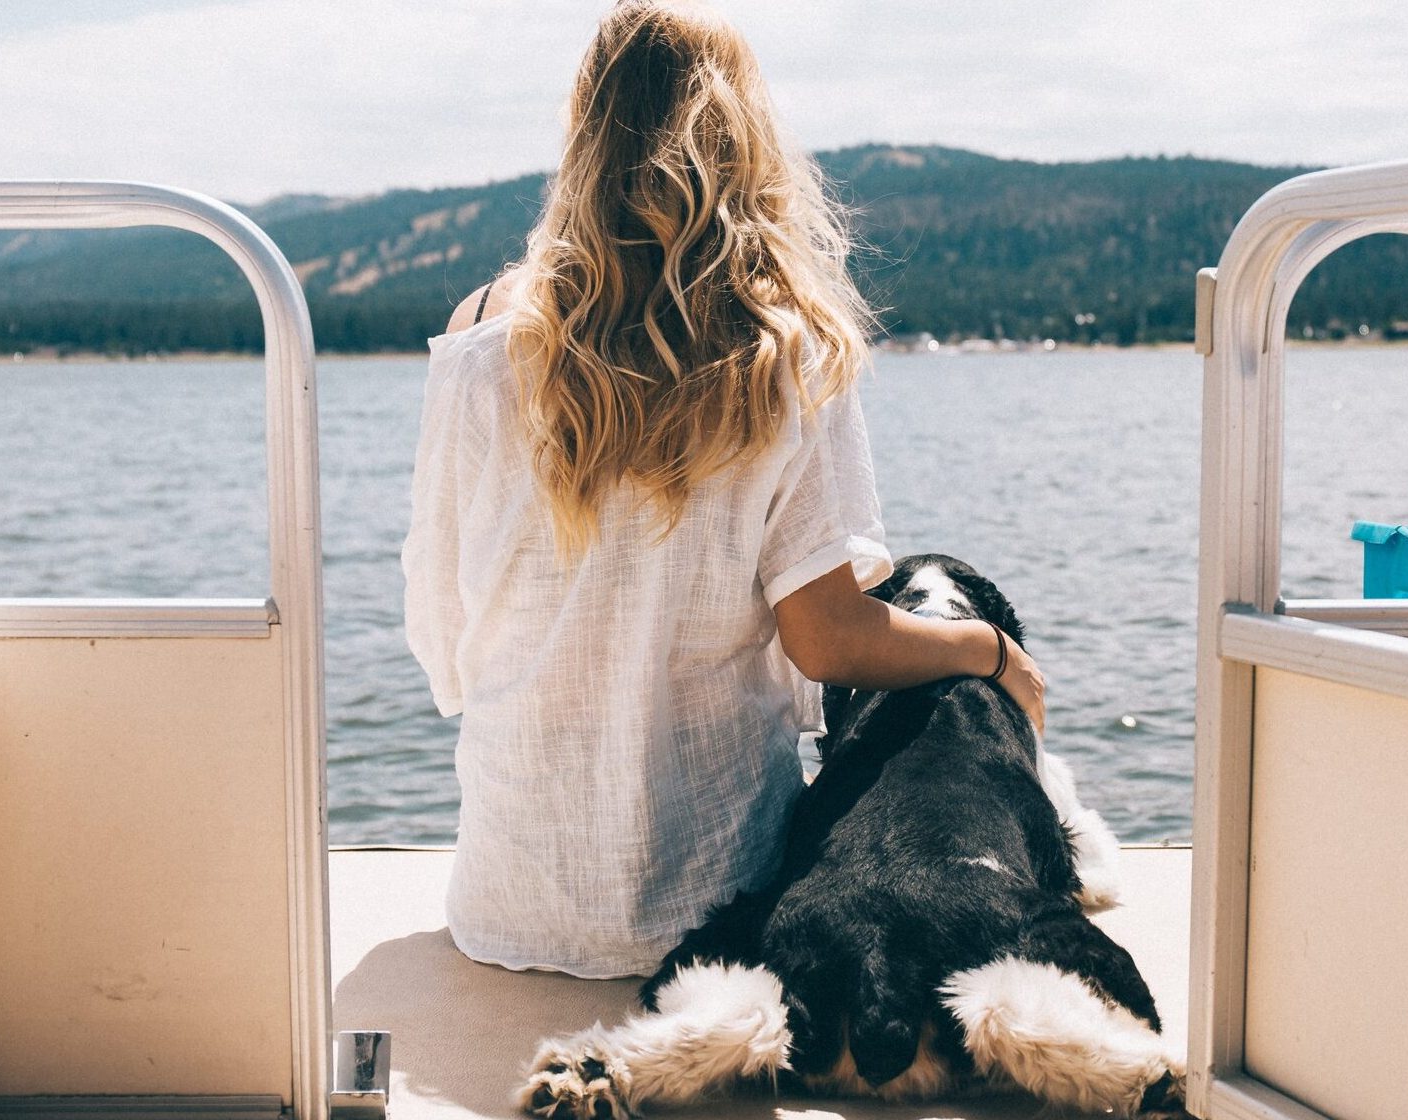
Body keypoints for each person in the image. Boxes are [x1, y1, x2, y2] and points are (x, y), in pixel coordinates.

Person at [402, 0, 1044, 979]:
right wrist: (992, 650)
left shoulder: (481, 335)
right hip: (719, 904)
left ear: (586, 133)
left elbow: (438, 611)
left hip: (506, 901)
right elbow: (829, 641)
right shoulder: (785, 350)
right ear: (742, 137)